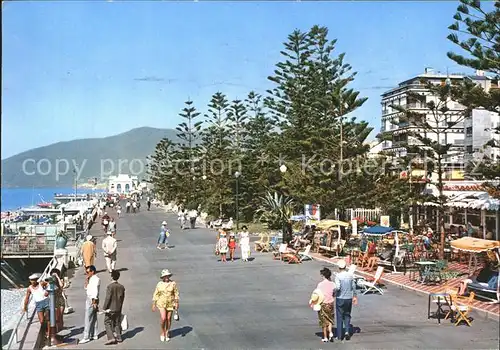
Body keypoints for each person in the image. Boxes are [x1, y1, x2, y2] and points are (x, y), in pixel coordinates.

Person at [152, 269, 179, 342]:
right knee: (163, 318)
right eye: (165, 276)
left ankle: (167, 332)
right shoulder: (159, 284)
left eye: (167, 276)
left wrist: (176, 302)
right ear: (163, 277)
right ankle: (162, 332)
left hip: (170, 302)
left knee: (168, 318)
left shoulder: (173, 283)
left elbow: (176, 293)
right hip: (161, 303)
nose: (166, 277)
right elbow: (156, 294)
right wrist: (154, 303)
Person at [334, 260, 357, 341]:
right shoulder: (350, 275)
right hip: (348, 298)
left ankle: (340, 335)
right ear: (345, 267)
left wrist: (334, 292)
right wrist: (355, 296)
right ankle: (347, 331)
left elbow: (338, 287)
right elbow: (353, 286)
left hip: (340, 298)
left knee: (339, 316)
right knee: (347, 315)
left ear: (339, 267)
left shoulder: (338, 276)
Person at [103, 270, 125, 345]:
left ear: (112, 276)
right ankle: (119, 337)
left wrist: (104, 307)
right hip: (118, 308)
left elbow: (108, 298)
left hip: (110, 308)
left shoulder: (110, 287)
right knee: (117, 322)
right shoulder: (121, 287)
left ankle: (111, 337)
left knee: (107, 322)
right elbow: (122, 298)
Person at [23, 273, 49, 337]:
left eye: (34, 280)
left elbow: (49, 284)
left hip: (46, 301)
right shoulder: (29, 288)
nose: (33, 281)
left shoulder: (41, 283)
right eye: (31, 280)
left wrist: (47, 291)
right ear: (30, 281)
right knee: (42, 321)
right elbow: (27, 298)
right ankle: (46, 331)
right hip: (38, 304)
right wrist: (25, 307)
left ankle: (49, 333)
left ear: (37, 279)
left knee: (48, 318)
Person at [80, 265, 100, 344]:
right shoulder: (91, 279)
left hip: (92, 299)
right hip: (91, 298)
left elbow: (95, 291)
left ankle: (86, 336)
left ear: (92, 272)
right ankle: (94, 334)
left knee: (87, 318)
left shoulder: (96, 279)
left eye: (88, 272)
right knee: (94, 317)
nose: (87, 273)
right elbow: (86, 288)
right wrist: (87, 279)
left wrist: (94, 302)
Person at [315, 268, 336, 342]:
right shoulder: (333, 284)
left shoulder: (320, 285)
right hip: (330, 303)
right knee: (330, 319)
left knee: (324, 321)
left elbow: (317, 293)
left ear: (323, 275)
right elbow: (334, 293)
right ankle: (330, 332)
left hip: (323, 303)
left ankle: (325, 337)